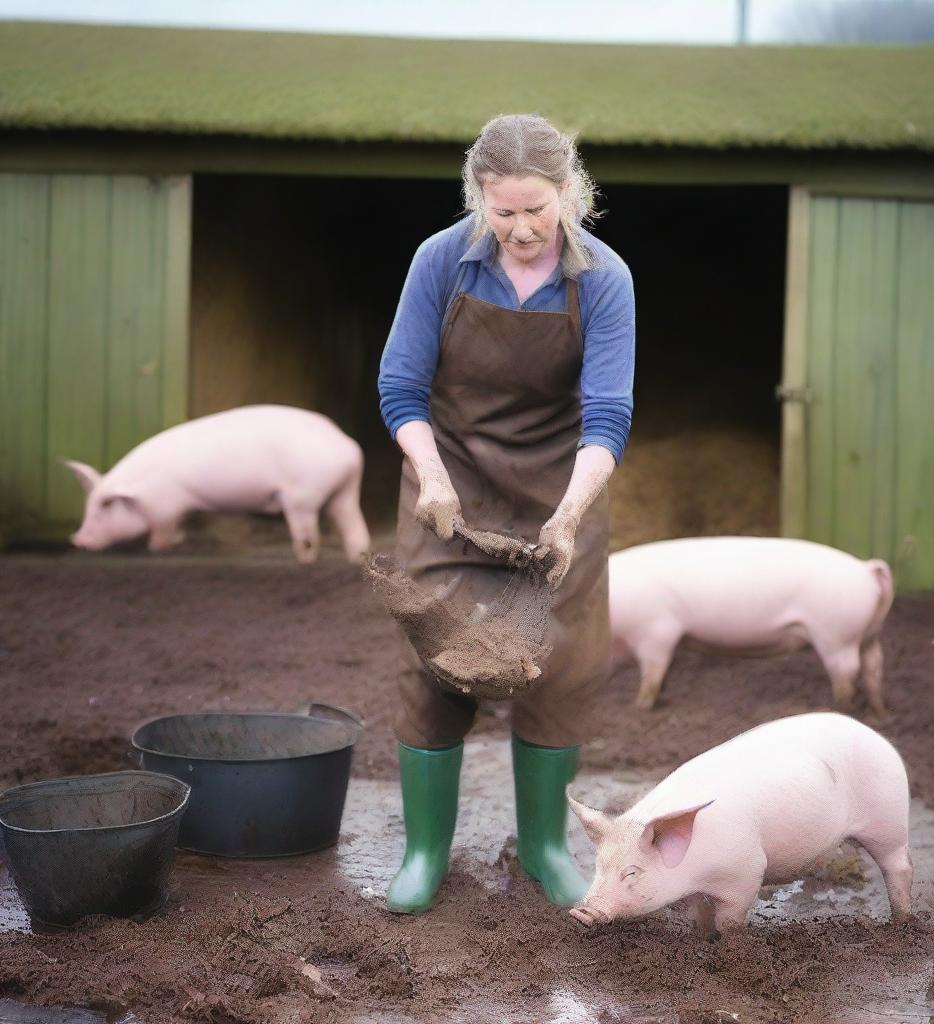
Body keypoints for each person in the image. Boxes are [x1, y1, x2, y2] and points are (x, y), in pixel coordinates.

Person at [377, 113, 635, 913]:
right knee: (433, 668)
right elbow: (400, 390)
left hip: (561, 498)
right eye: (504, 211)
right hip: (448, 490)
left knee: (561, 669)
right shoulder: (440, 263)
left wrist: (568, 515)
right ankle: (425, 855)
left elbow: (608, 416)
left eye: (537, 209)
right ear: (478, 196)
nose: (522, 229)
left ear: (569, 192)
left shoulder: (604, 278)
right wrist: (432, 477)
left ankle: (546, 848)